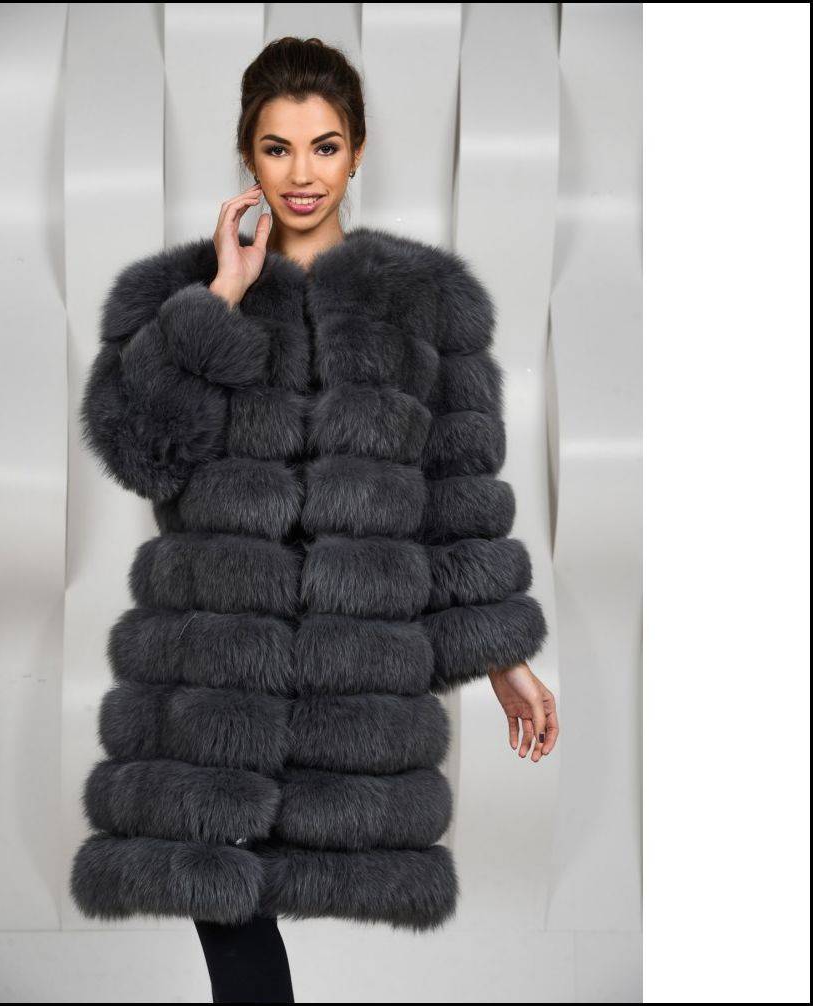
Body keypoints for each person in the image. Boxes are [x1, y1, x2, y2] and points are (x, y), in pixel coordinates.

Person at [70, 36, 559, 1003]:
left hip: (351, 669)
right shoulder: (175, 297)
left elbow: (457, 493)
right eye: (278, 147)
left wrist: (503, 655)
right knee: (227, 908)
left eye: (324, 146)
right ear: (246, 154)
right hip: (214, 678)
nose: (302, 174)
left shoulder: (425, 304)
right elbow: (140, 452)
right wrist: (220, 298)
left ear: (359, 150)